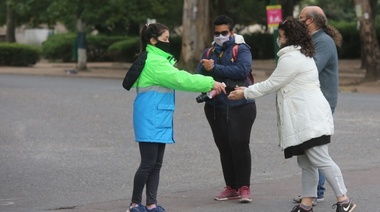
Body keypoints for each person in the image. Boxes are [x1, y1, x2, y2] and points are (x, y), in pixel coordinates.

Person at [228, 17, 356, 212]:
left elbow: (271, 84)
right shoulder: (300, 54)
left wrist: (245, 92)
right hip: (305, 118)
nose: (279, 40)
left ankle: (344, 200)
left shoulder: (292, 58)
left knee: (320, 159)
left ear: (290, 37)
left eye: (281, 36)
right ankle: (306, 205)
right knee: (306, 163)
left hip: (308, 118)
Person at [123, 23, 226, 212]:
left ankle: (151, 204)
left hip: (158, 116)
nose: (168, 42)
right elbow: (180, 79)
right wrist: (210, 82)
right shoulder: (155, 62)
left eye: (168, 38)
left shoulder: (157, 59)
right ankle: (135, 204)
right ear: (153, 40)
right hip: (151, 117)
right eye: (165, 39)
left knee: (156, 164)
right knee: (148, 163)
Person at [195, 15, 256, 203]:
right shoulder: (208, 52)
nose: (220, 36)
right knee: (224, 147)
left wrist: (215, 69)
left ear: (232, 32)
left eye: (224, 33)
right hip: (215, 106)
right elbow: (198, 77)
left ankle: (244, 187)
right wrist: (206, 70)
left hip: (241, 105)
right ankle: (231, 187)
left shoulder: (241, 49)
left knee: (240, 144)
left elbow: (242, 71)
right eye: (216, 33)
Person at [293, 5, 343, 206]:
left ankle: (321, 193)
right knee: (310, 148)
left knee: (316, 148)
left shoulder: (323, 41)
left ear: (310, 21)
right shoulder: (314, 40)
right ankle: (312, 193)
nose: (299, 20)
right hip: (313, 101)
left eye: (301, 17)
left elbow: (311, 68)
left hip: (322, 102)